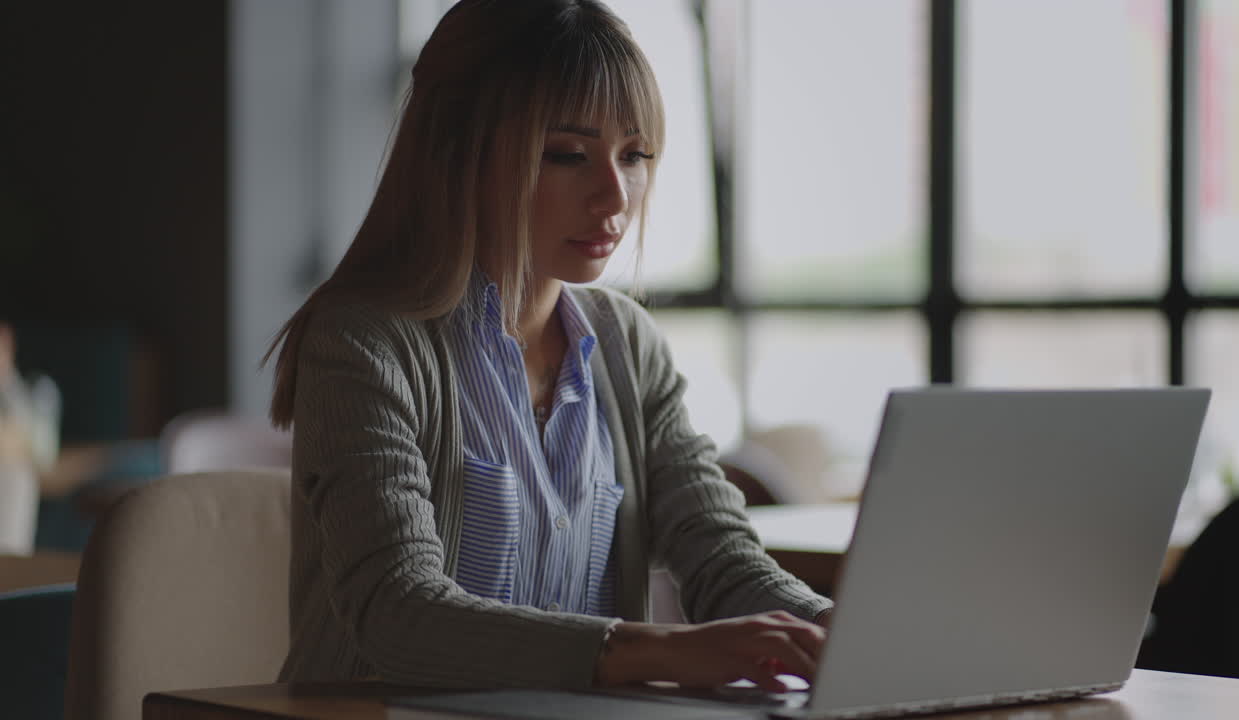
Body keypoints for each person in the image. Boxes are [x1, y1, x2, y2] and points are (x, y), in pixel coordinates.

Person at [264, 0, 833, 692]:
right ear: (459, 152)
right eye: (566, 154)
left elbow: (722, 560)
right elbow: (398, 614)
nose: (614, 197)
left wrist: (846, 637)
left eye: (635, 155)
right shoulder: (361, 342)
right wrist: (663, 650)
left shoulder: (627, 345)